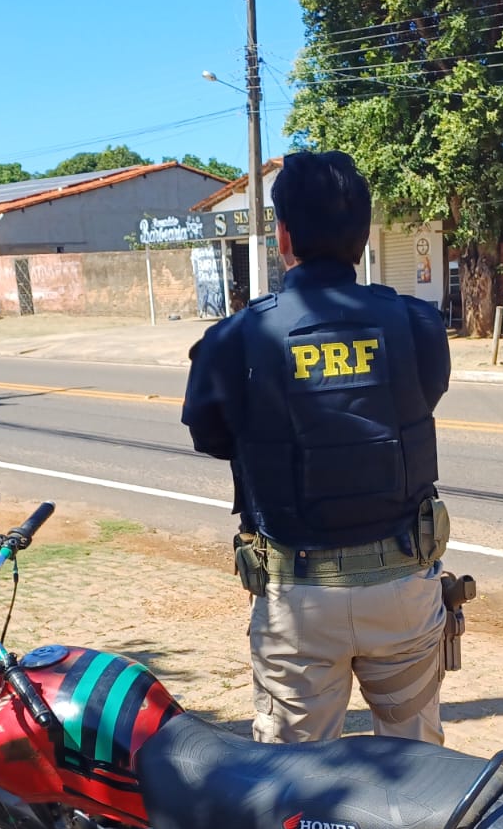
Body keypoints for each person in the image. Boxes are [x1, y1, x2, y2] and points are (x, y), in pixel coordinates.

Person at [182, 150, 452, 745]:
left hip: (297, 600)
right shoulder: (417, 323)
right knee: (418, 767)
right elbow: (421, 398)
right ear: (363, 234)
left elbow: (211, 436)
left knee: (294, 780)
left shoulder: (233, 340)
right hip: (402, 587)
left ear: (282, 235)